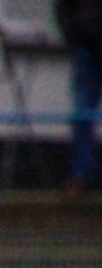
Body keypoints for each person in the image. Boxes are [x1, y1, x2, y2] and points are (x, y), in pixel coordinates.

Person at [55, 0, 102, 191]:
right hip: (86, 47)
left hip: (85, 43)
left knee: (82, 112)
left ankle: (83, 174)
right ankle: (83, 174)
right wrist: (73, 36)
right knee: (82, 114)